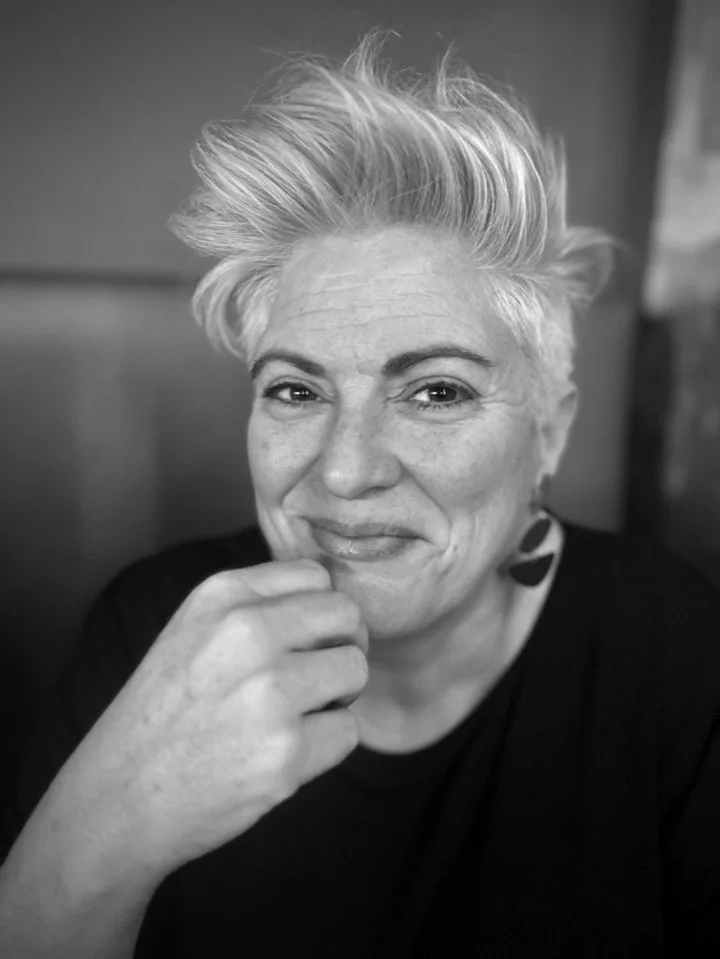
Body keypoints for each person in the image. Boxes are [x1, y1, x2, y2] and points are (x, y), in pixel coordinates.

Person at [2, 33, 719, 958]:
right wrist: (109, 826)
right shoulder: (147, 627)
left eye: (437, 392)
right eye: (295, 390)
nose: (344, 473)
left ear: (550, 430)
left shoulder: (677, 656)